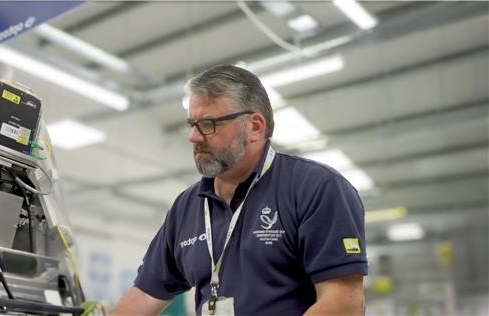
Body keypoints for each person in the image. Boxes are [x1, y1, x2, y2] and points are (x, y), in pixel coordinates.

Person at [111, 65, 368, 315]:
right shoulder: (187, 207)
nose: (194, 137)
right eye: (192, 124)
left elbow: (344, 302)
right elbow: (146, 294)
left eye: (209, 124)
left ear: (255, 126)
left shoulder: (315, 187)